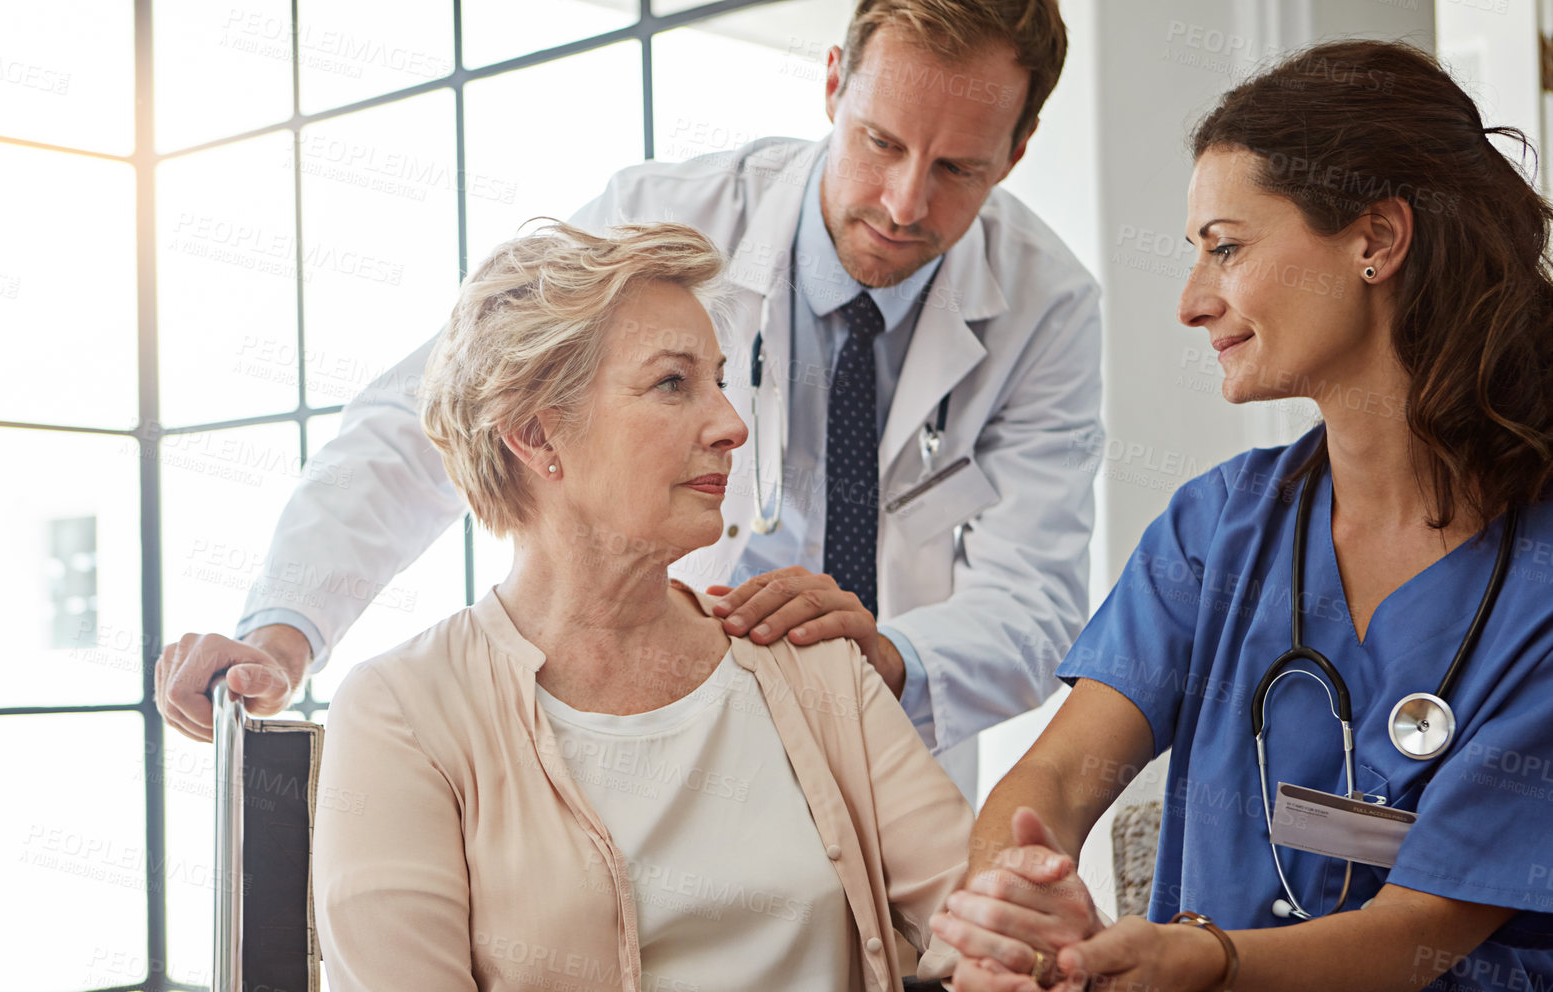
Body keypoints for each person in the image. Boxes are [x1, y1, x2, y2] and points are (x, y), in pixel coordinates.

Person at [156, 0, 1102, 805]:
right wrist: (281, 635)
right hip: (640, 723)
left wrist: (878, 663)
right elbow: (429, 419)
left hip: (880, 748)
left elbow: (1033, 597)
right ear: (832, 87)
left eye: (956, 170)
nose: (902, 203)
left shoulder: (1046, 307)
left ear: (1015, 153)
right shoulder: (667, 220)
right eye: (881, 142)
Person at [925, 40, 1553, 992]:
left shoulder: (1538, 581)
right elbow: (1059, 771)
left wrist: (1185, 960)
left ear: (1375, 238)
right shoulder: (1221, 528)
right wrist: (1013, 903)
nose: (1190, 299)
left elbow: (1413, 935)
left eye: (1225, 247)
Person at [313, 220, 986, 992]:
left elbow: (978, 908)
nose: (731, 421)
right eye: (674, 383)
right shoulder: (401, 709)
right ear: (537, 433)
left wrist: (1038, 939)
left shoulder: (806, 657)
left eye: (720, 377)